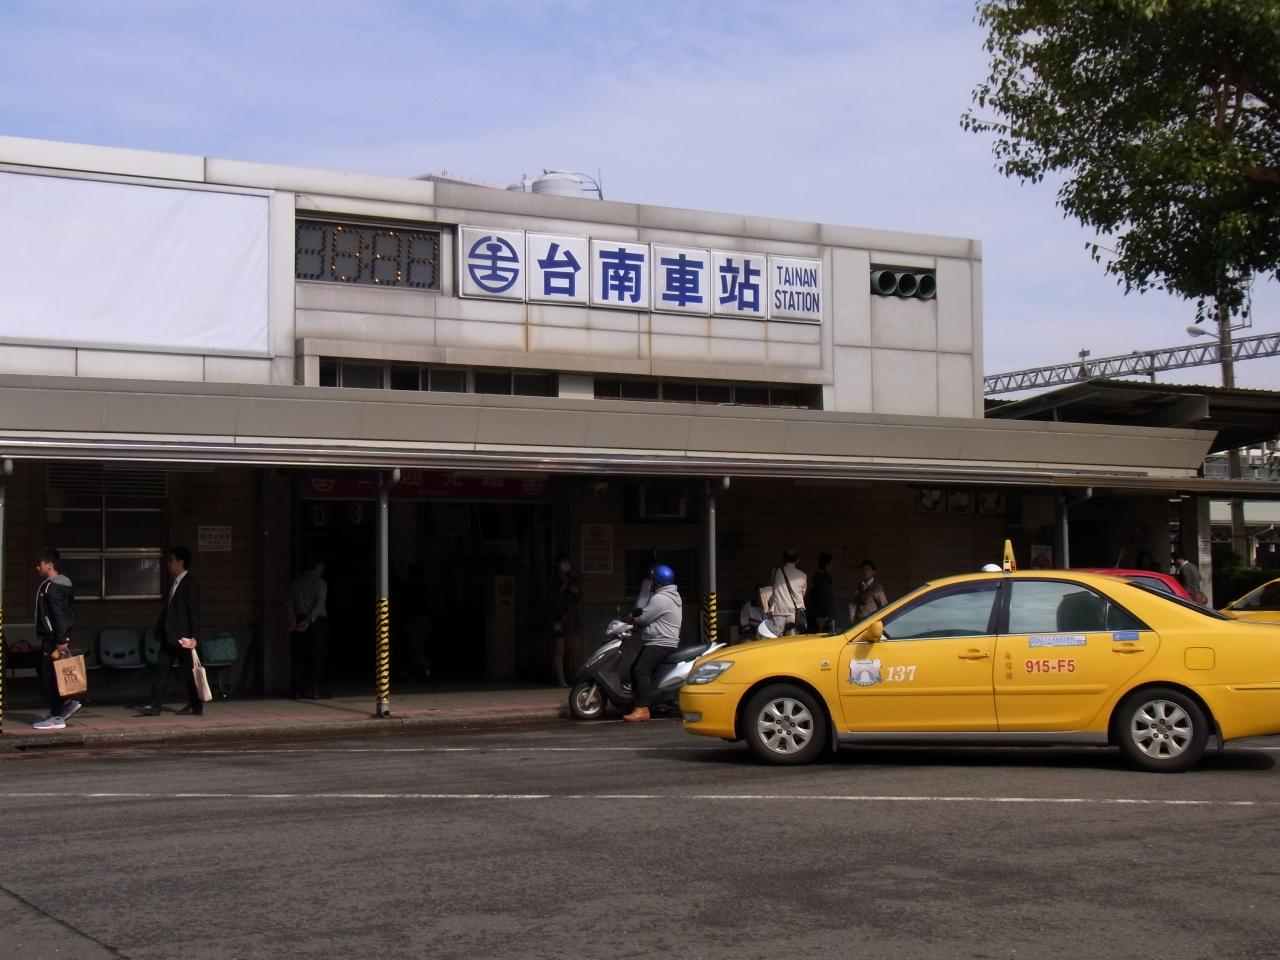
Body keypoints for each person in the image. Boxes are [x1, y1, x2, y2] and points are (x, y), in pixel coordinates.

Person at [137, 546, 202, 716]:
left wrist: (194, 637)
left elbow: (194, 612)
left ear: (180, 562)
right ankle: (154, 705)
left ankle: (196, 705)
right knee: (161, 670)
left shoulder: (190, 584)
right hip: (169, 636)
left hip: (184, 638)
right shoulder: (174, 582)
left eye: (171, 560)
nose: (168, 563)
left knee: (188, 673)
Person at [623, 564, 682, 722]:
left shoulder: (661, 598)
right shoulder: (671, 595)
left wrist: (632, 618)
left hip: (661, 642)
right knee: (635, 668)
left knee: (640, 670)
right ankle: (638, 703)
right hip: (662, 641)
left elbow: (644, 618)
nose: (651, 584)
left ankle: (642, 709)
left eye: (653, 580)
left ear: (658, 582)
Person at [32, 548, 76, 730]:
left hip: (52, 639)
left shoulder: (52, 587)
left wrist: (60, 639)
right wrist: (64, 637)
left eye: (39, 564)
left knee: (49, 677)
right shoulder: (64, 584)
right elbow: (67, 613)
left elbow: (58, 615)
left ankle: (57, 716)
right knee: (56, 674)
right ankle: (61, 708)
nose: (37, 567)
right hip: (57, 637)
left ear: (49, 565)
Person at [290, 555, 332, 698]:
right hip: (316, 621)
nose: (323, 569)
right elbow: (319, 603)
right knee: (317, 654)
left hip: (298, 618)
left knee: (299, 655)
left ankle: (297, 689)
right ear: (317, 566)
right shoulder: (320, 583)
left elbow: (290, 603)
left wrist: (293, 621)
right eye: (322, 567)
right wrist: (308, 621)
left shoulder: (297, 582)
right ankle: (316, 689)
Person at [547, 553, 580, 687]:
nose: (566, 565)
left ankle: (574, 675)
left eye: (567, 562)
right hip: (557, 617)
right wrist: (562, 588)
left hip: (572, 617)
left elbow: (579, 596)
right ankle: (560, 677)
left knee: (573, 648)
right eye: (563, 562)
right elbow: (549, 599)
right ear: (557, 565)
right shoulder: (553, 580)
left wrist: (574, 590)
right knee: (559, 648)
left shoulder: (573, 579)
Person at [768, 550, 807, 636]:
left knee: (776, 637)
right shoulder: (803, 575)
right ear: (797, 560)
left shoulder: (775, 572)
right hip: (795, 612)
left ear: (783, 559)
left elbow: (772, 586)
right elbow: (803, 594)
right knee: (792, 640)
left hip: (778, 610)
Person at [807, 553, 836, 633]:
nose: (832, 566)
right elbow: (824, 598)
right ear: (827, 565)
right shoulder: (823, 580)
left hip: (820, 616)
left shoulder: (819, 578)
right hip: (823, 618)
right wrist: (827, 616)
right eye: (831, 563)